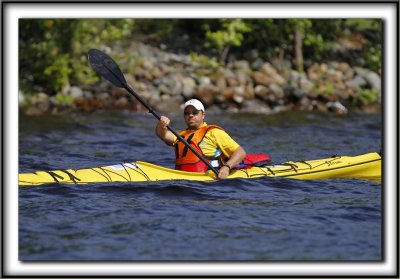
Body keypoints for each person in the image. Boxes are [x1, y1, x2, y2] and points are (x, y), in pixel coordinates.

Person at [155, 99, 246, 179]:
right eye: (187, 113)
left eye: (195, 113)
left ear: (203, 115)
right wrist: (161, 125)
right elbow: (163, 135)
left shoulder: (214, 132)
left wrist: (226, 167)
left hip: (208, 181)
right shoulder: (180, 135)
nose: (190, 115)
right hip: (182, 178)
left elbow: (240, 152)